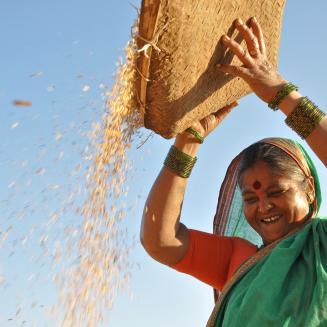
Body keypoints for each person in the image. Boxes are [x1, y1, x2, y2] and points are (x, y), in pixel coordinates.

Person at [140, 17, 327, 326]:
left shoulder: (321, 244)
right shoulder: (240, 259)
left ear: (309, 187)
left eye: (275, 192)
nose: (263, 206)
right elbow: (160, 240)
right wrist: (186, 145)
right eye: (250, 197)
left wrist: (278, 92)